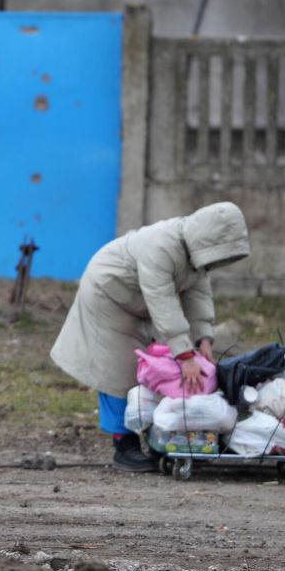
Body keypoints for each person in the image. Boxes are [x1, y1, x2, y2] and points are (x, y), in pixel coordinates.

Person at [50, 202, 250, 472]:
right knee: (116, 371)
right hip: (108, 296)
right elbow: (161, 299)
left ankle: (161, 438)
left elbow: (198, 295)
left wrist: (203, 338)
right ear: (208, 238)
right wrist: (185, 355)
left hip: (139, 303)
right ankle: (124, 444)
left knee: (157, 371)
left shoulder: (195, 256)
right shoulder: (161, 246)